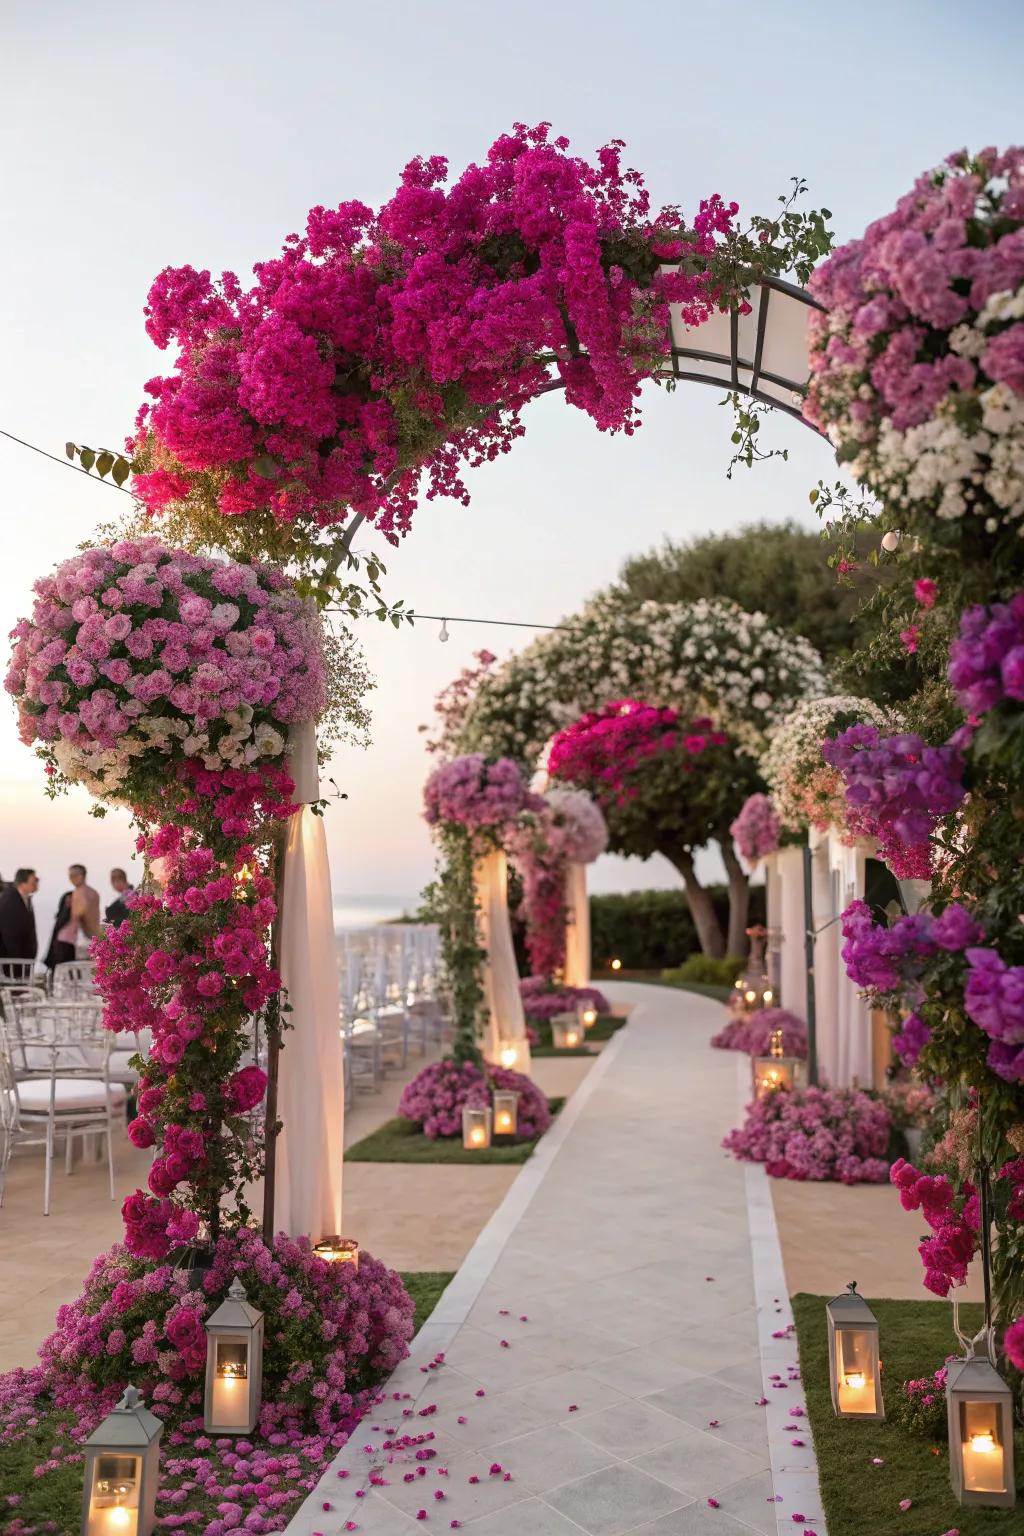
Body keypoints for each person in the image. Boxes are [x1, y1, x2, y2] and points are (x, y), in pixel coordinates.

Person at [46, 864, 101, 969]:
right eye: (70, 876)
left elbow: (77, 917)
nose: (71, 879)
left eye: (73, 875)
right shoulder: (94, 893)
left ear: (81, 875)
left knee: (64, 973)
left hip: (70, 938)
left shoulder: (78, 893)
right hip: (90, 937)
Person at [0, 868, 39, 962]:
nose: (37, 882)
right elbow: (9, 933)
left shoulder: (25, 899)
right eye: (34, 880)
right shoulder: (10, 900)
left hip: (23, 960)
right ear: (23, 883)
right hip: (12, 961)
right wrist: (17, 959)